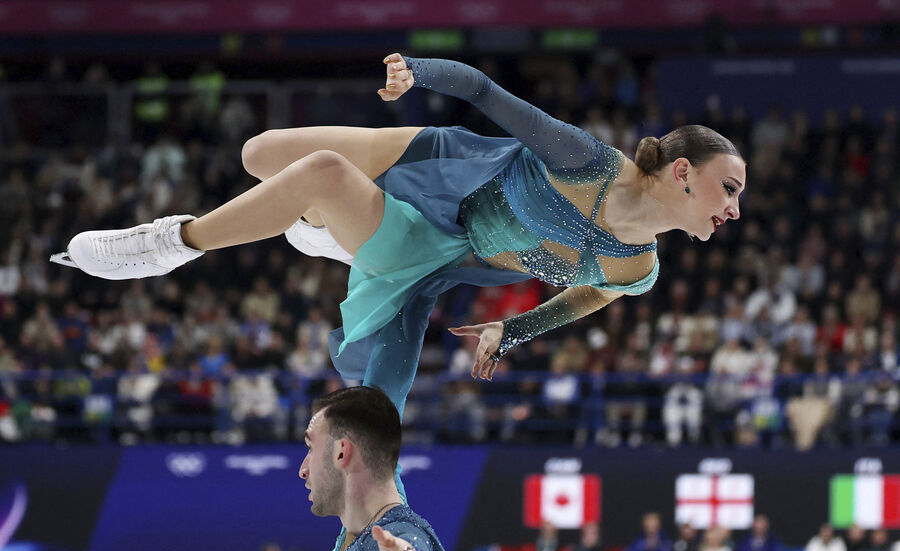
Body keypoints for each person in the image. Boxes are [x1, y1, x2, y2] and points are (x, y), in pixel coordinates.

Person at [53, 53, 745, 406]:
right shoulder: (586, 162)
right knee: (259, 155)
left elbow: (594, 294)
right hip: (436, 163)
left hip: (433, 241)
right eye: (730, 189)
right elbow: (484, 93)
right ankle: (321, 228)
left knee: (318, 173)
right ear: (682, 172)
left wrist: (515, 330)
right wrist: (418, 72)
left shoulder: (637, 268)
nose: (735, 209)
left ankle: (171, 245)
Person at [299, 386, 451, 551]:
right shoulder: (360, 535)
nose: (303, 470)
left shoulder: (392, 534)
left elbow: (407, 545)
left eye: (311, 448)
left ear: (341, 452)